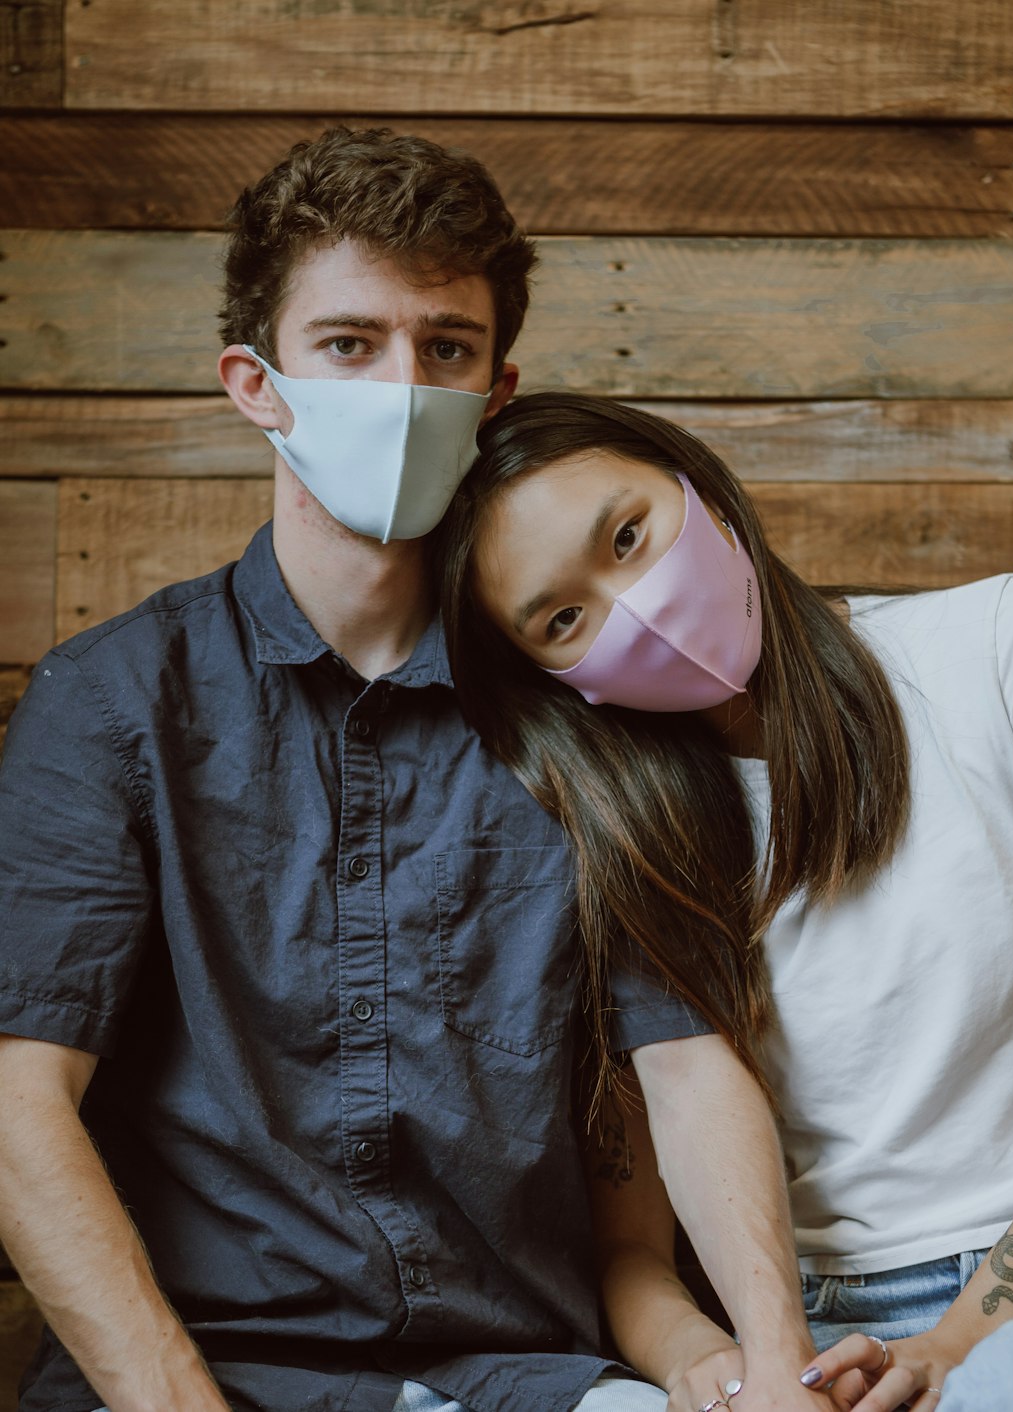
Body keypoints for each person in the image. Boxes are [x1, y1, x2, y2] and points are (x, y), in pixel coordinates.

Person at [0, 131, 830, 1412]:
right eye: (349, 344)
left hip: (531, 1373)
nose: (403, 385)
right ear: (255, 382)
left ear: (497, 387)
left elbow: (684, 1057)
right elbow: (18, 1110)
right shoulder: (112, 700)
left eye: (444, 347)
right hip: (211, 1372)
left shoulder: (584, 704)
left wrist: (773, 1372)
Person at [436, 390, 1013, 1412]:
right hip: (807, 1336)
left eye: (630, 533)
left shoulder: (1011, 647)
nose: (634, 601)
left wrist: (955, 1343)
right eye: (565, 618)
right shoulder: (617, 847)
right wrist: (719, 1365)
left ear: (702, 487)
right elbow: (633, 1250)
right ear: (553, 681)